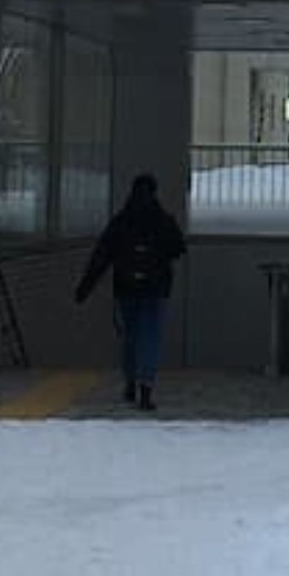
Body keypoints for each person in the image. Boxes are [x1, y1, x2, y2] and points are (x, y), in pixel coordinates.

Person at [74, 174, 187, 410]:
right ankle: (146, 388)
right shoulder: (163, 220)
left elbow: (101, 256)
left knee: (130, 337)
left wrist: (84, 288)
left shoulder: (121, 221)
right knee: (150, 338)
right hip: (155, 290)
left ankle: (130, 383)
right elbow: (178, 248)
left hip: (126, 289)